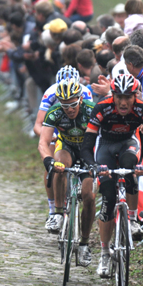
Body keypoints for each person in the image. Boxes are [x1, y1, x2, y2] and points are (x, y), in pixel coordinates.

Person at [81, 74, 143, 276]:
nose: (123, 102)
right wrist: (92, 166)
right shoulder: (102, 108)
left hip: (128, 144)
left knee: (130, 165)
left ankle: (131, 219)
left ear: (135, 96)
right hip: (104, 146)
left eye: (128, 97)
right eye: (118, 96)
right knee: (109, 196)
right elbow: (87, 146)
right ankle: (104, 254)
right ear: (112, 95)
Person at [38, 78, 96, 266]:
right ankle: (58, 212)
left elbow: (103, 139)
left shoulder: (90, 110)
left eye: (72, 104)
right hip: (67, 146)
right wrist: (49, 161)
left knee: (89, 196)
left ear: (80, 99)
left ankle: (85, 244)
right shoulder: (54, 112)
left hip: (88, 149)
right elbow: (43, 142)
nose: (69, 109)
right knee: (60, 165)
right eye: (65, 105)